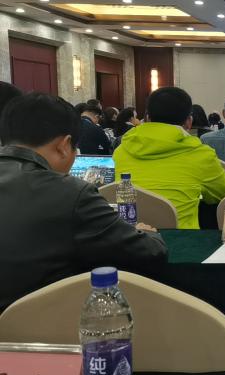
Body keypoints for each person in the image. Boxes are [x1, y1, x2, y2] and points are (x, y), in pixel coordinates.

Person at [0, 93, 167, 311]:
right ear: (64, 145)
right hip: (42, 324)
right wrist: (146, 232)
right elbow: (150, 253)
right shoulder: (70, 193)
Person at [114, 87, 225, 229]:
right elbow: (224, 193)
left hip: (127, 236)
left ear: (146, 118)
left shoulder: (121, 151)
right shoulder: (201, 154)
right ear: (189, 122)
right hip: (180, 238)